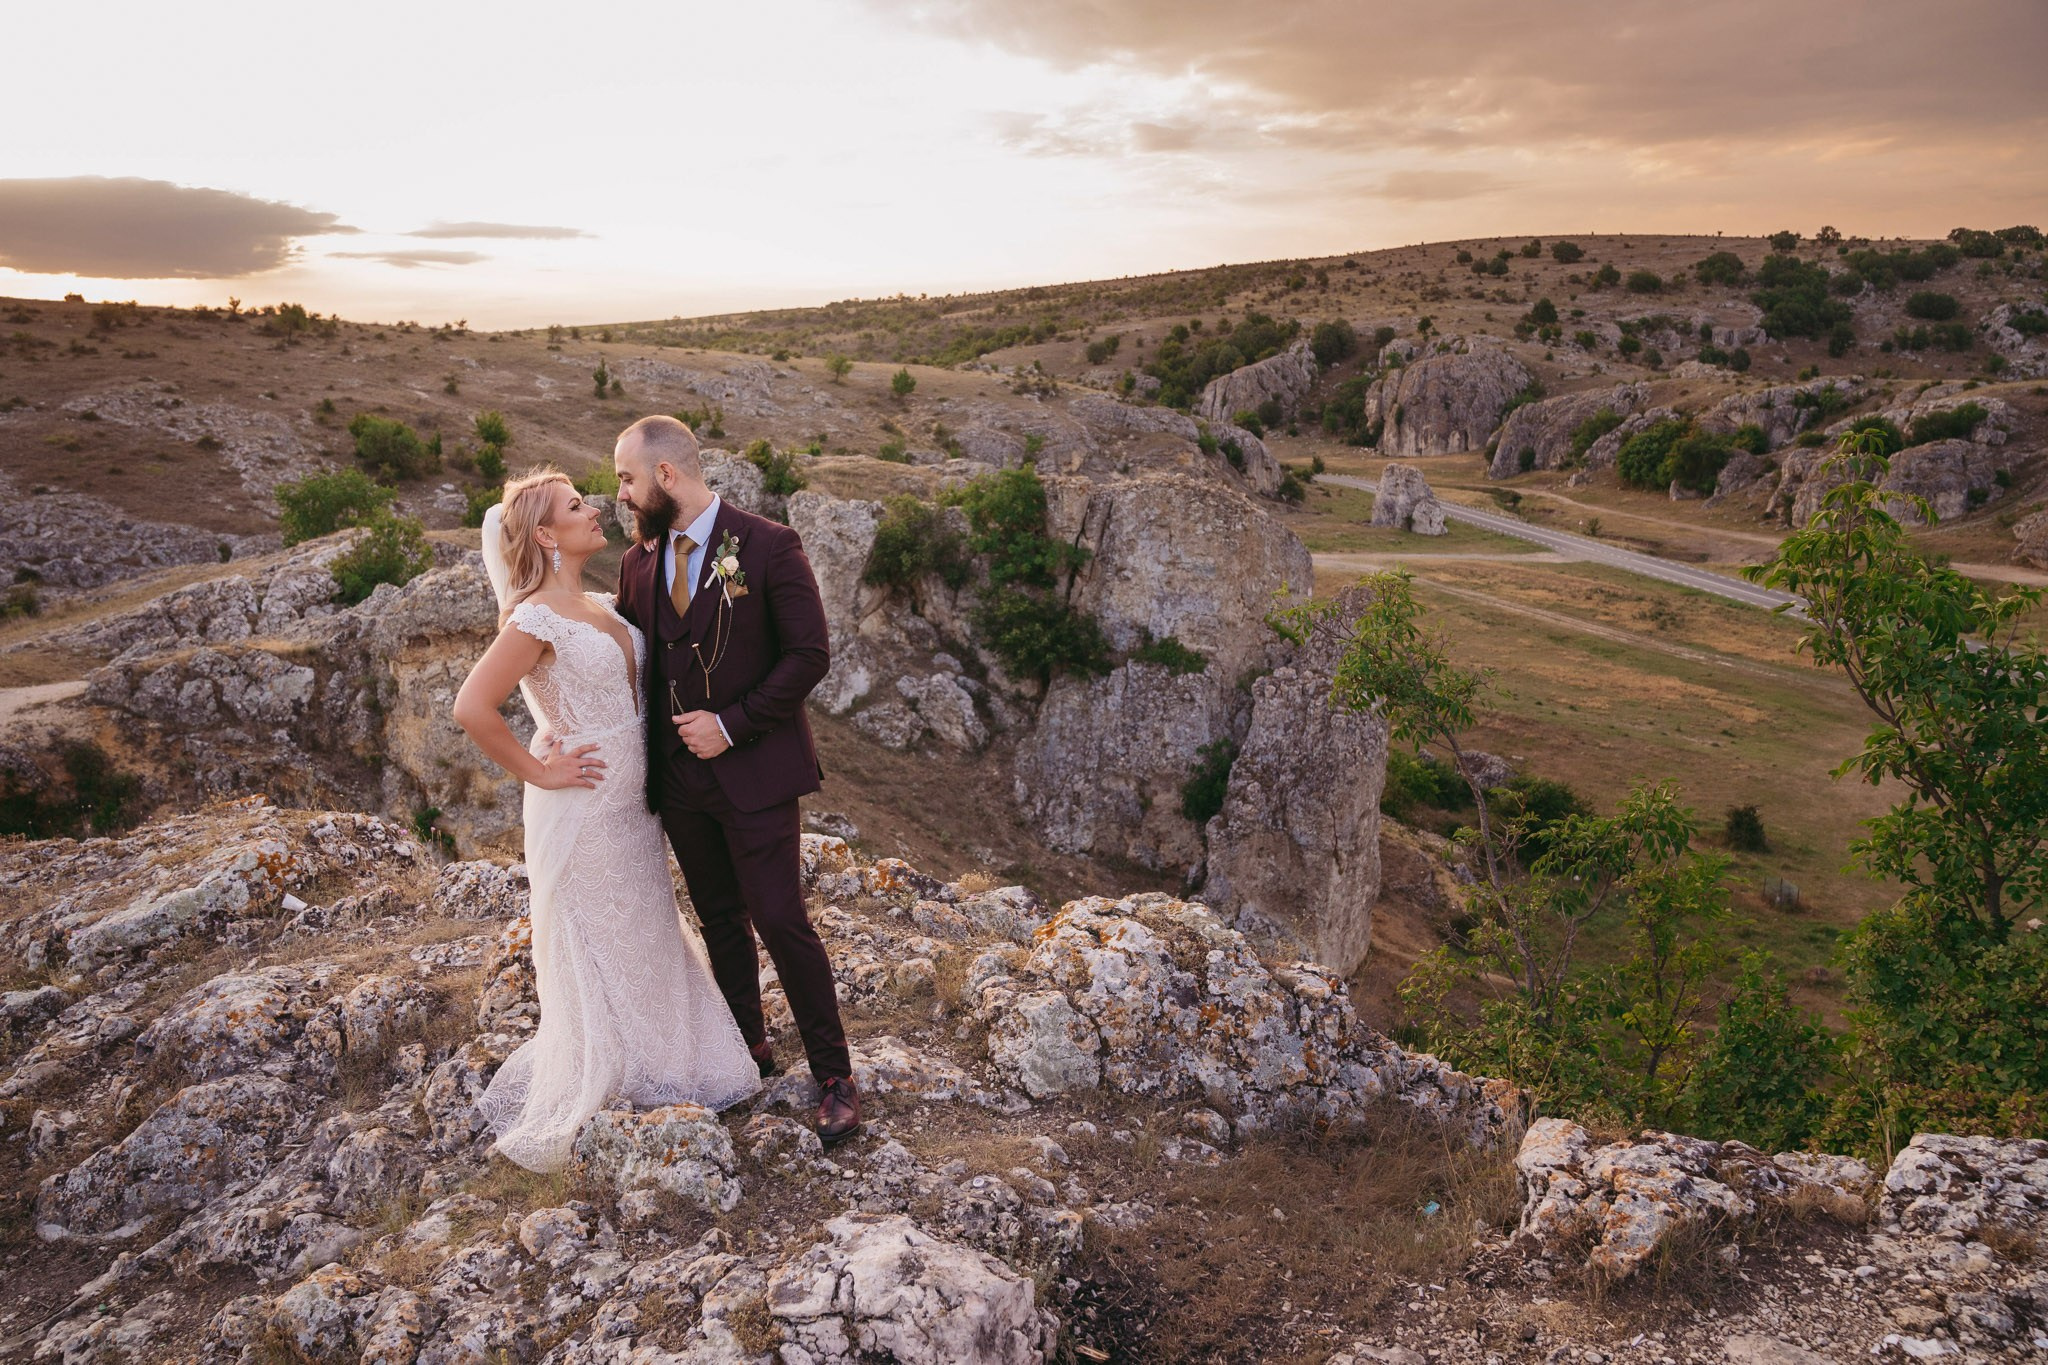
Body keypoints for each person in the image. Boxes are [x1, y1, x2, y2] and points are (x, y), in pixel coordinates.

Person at [452, 466, 759, 1172]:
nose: (593, 509)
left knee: (648, 924)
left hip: (634, 804)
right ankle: (620, 1070)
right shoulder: (532, 617)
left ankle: (676, 1058)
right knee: (605, 935)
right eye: (574, 505)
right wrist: (541, 769)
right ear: (544, 533)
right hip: (583, 808)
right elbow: (473, 706)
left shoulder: (603, 602)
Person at [610, 415, 861, 1145]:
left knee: (781, 918)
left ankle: (835, 1072)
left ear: (665, 476)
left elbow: (809, 655)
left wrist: (732, 722)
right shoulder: (636, 563)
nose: (620, 494)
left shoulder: (769, 544)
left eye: (627, 478)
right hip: (680, 785)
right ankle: (746, 1048)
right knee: (719, 917)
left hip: (755, 773)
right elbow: (634, 662)